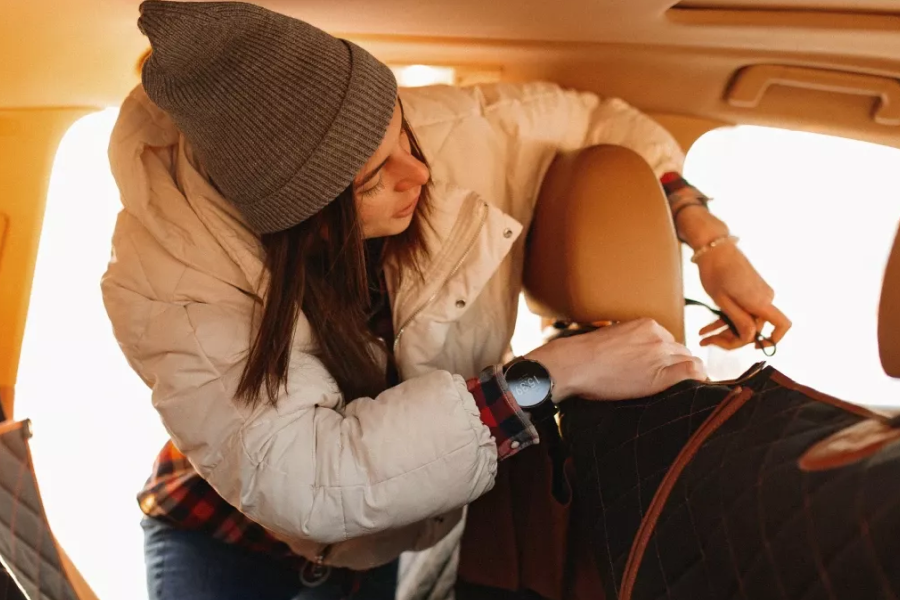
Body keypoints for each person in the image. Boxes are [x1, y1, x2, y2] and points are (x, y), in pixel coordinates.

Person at [101, 1, 792, 599]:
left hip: (371, 544)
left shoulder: (446, 132)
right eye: (374, 177)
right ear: (303, 215)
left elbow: (608, 121)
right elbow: (310, 477)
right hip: (222, 538)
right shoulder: (169, 281)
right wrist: (553, 374)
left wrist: (710, 243)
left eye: (400, 130)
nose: (420, 172)